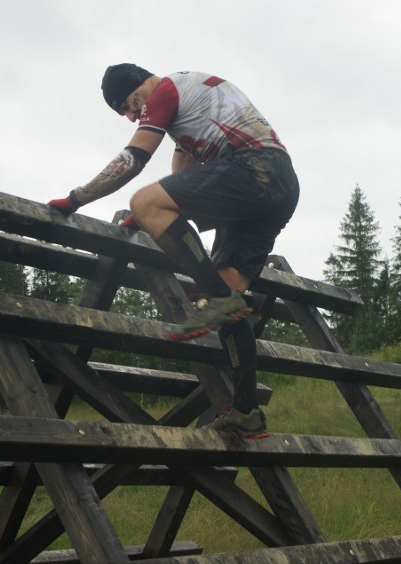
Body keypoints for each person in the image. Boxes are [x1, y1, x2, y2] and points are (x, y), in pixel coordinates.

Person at [47, 64, 299, 439]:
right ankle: (247, 411)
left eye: (130, 106)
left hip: (253, 168)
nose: (133, 116)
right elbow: (179, 185)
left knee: (144, 202)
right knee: (231, 298)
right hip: (279, 185)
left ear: (140, 85)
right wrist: (146, 216)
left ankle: (219, 301)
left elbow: (133, 160)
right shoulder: (192, 117)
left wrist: (75, 199)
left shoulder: (165, 90)